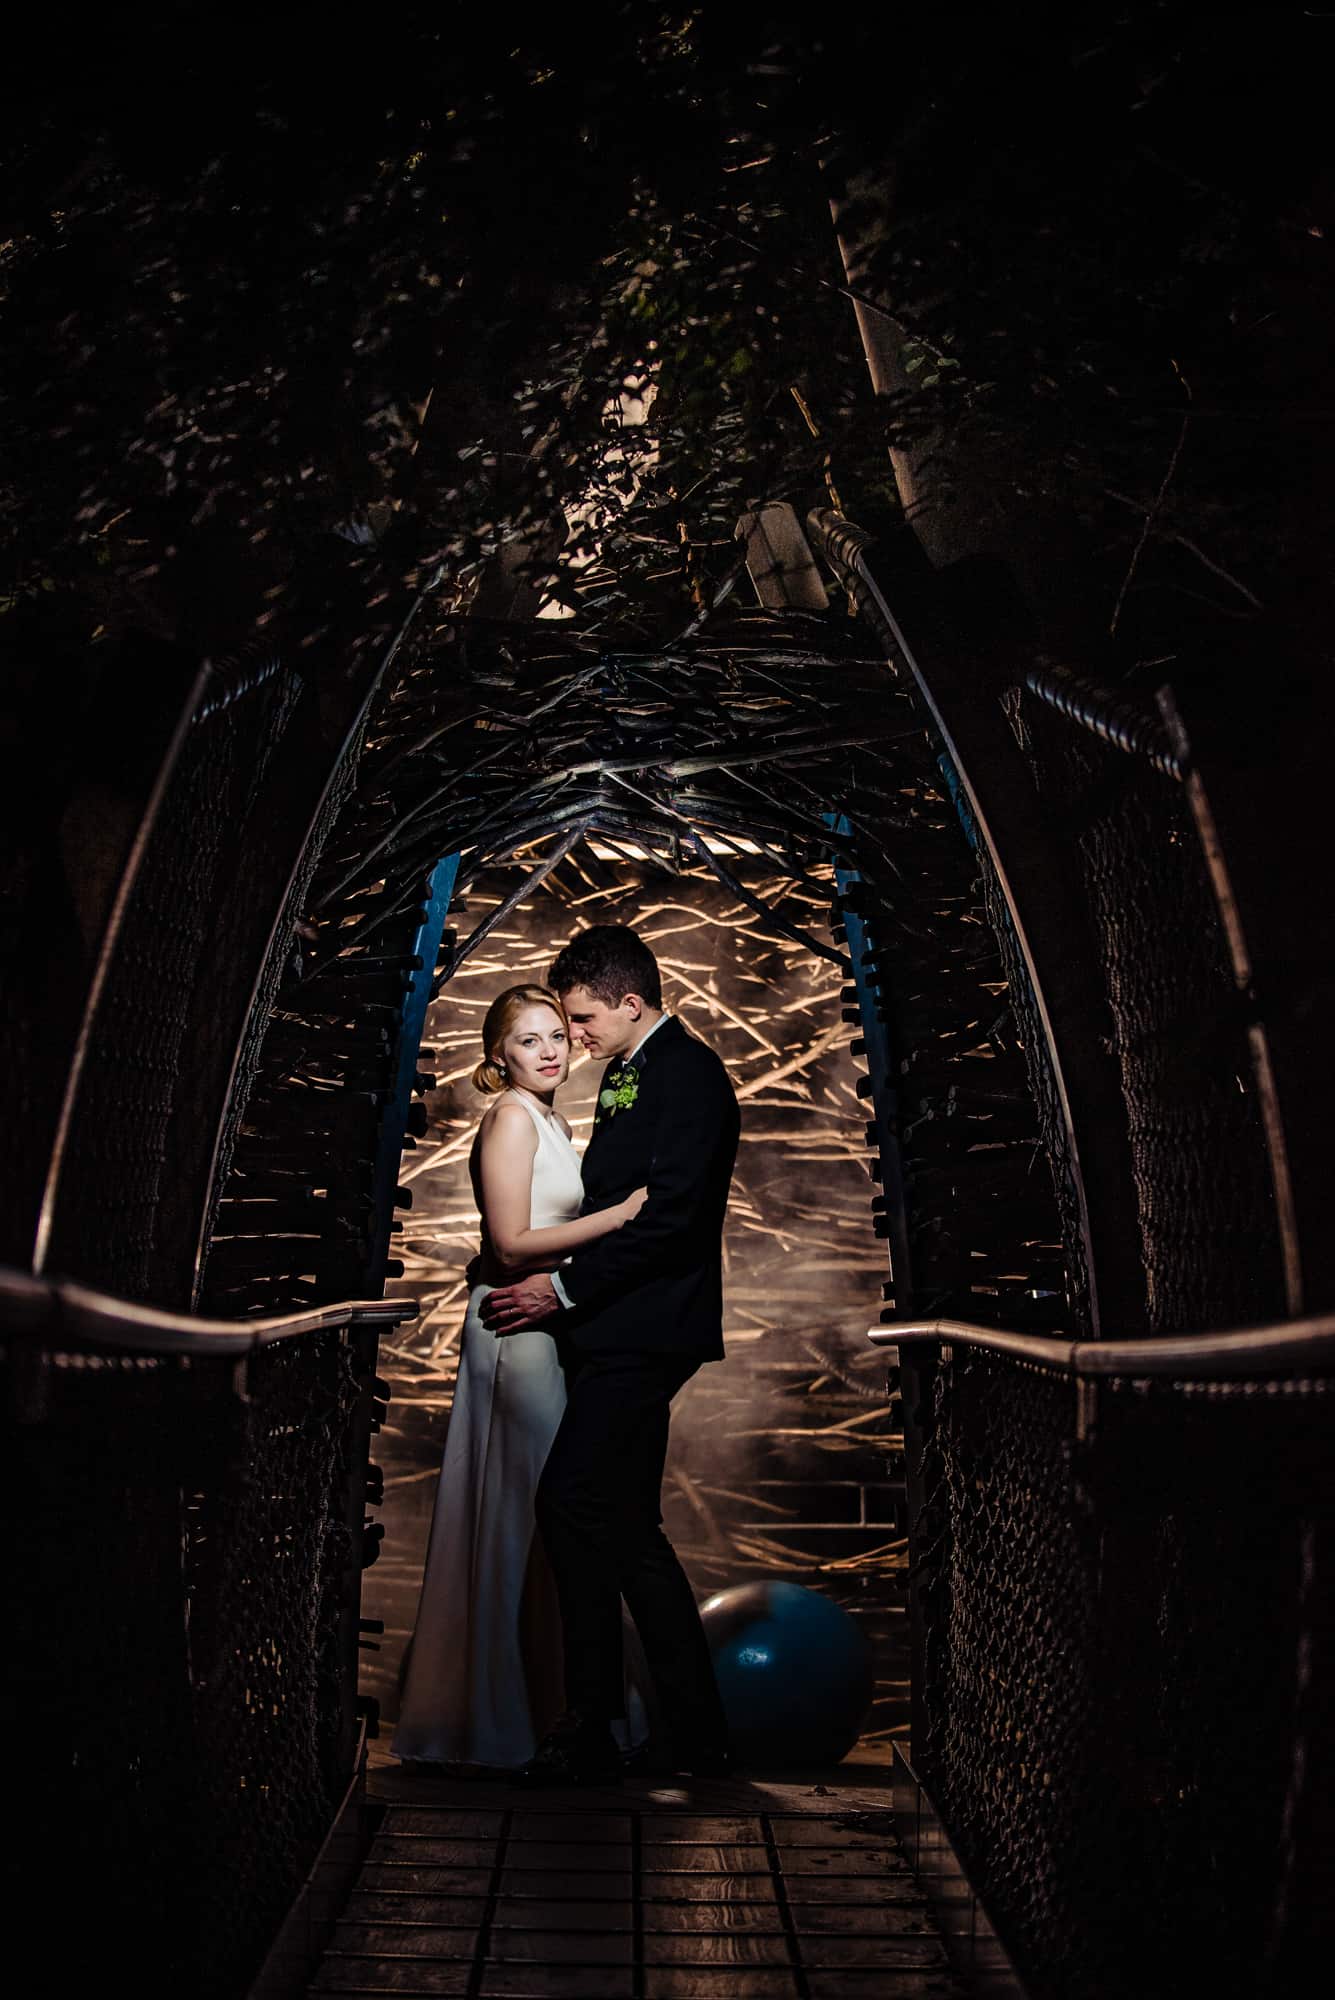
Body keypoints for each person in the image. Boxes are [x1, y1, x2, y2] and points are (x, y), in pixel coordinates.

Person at [483, 924, 740, 1785]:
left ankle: (592, 1720)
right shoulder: (629, 1070)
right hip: (614, 1330)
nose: (574, 1033)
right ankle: (687, 1736)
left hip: (645, 1330)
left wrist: (559, 1292)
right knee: (625, 1525)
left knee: (574, 1502)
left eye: (583, 1018)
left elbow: (670, 1219)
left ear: (632, 1004)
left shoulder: (688, 1072)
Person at [391, 984, 647, 1771]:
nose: (548, 1050)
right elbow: (506, 1245)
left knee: (547, 1521)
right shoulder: (507, 1117)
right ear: (496, 1058)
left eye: (555, 1037)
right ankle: (499, 1721)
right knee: (523, 1518)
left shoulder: (551, 1119)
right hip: (512, 1325)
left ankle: (549, 1708)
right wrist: (625, 1213)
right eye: (527, 1040)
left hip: (543, 1326)